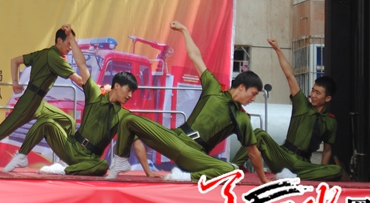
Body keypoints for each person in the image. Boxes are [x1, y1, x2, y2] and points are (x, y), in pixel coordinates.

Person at [109, 21, 268, 183]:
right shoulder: (213, 88)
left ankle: (186, 177)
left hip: (195, 155)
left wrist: (263, 180)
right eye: (253, 94)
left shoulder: (241, 118)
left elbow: (253, 151)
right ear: (241, 87)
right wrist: (184, 30)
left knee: (232, 170)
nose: (253, 99)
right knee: (128, 119)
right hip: (175, 139)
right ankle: (120, 161)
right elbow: (195, 57)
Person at [4, 29, 150, 175]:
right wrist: (72, 40)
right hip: (72, 146)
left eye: (133, 92)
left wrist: (148, 172)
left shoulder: (124, 115)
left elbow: (137, 144)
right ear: (116, 86)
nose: (130, 95)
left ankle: (65, 169)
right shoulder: (95, 93)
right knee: (46, 122)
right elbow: (82, 65)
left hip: (90, 158)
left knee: (102, 165)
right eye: (128, 90)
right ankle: (22, 156)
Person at [231, 39, 343, 180]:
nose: (313, 95)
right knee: (259, 134)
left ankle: (291, 176)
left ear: (328, 98)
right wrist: (278, 49)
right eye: (313, 90)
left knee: (336, 170)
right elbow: (289, 75)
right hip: (284, 156)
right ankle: (232, 168)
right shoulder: (302, 103)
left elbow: (327, 151)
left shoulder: (331, 121)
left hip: (303, 164)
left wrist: (322, 171)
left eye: (318, 93)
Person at [0, 25, 80, 161]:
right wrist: (98, 87)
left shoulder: (44, 53)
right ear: (59, 41)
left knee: (68, 121)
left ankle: (66, 161)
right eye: (69, 43)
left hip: (38, 103)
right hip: (29, 102)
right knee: (0, 132)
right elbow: (79, 80)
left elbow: (15, 61)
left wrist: (15, 82)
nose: (70, 47)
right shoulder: (54, 57)